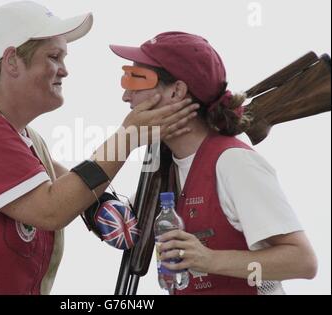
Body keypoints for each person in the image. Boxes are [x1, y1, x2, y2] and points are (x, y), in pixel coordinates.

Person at [0, 3, 198, 294]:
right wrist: (128, 137)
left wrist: (102, 203)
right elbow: (52, 208)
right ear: (11, 61)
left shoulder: (23, 137)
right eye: (53, 57)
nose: (64, 70)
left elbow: (74, 186)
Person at [110, 31, 318, 295]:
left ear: (176, 91)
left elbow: (302, 261)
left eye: (136, 79)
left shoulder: (234, 162)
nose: (126, 95)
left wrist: (208, 259)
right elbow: (127, 220)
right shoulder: (165, 165)